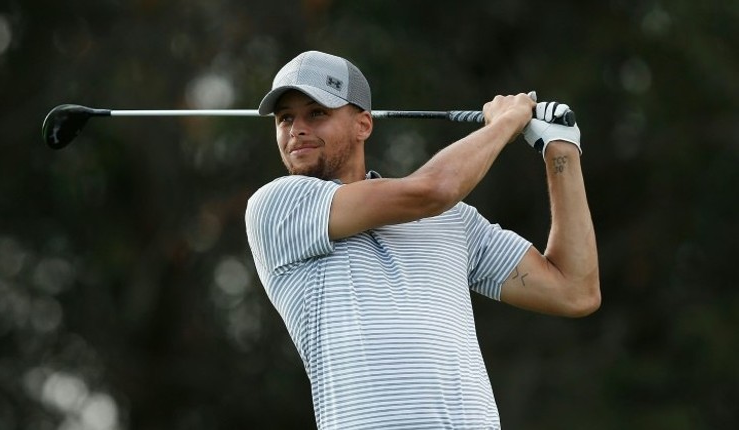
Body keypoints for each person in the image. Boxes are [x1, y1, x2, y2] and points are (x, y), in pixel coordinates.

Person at [245, 50, 600, 429]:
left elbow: (574, 290)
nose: (296, 129)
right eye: (285, 119)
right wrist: (505, 124)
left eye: (316, 113)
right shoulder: (277, 206)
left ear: (363, 124)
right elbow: (433, 189)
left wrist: (560, 151)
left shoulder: (452, 220)